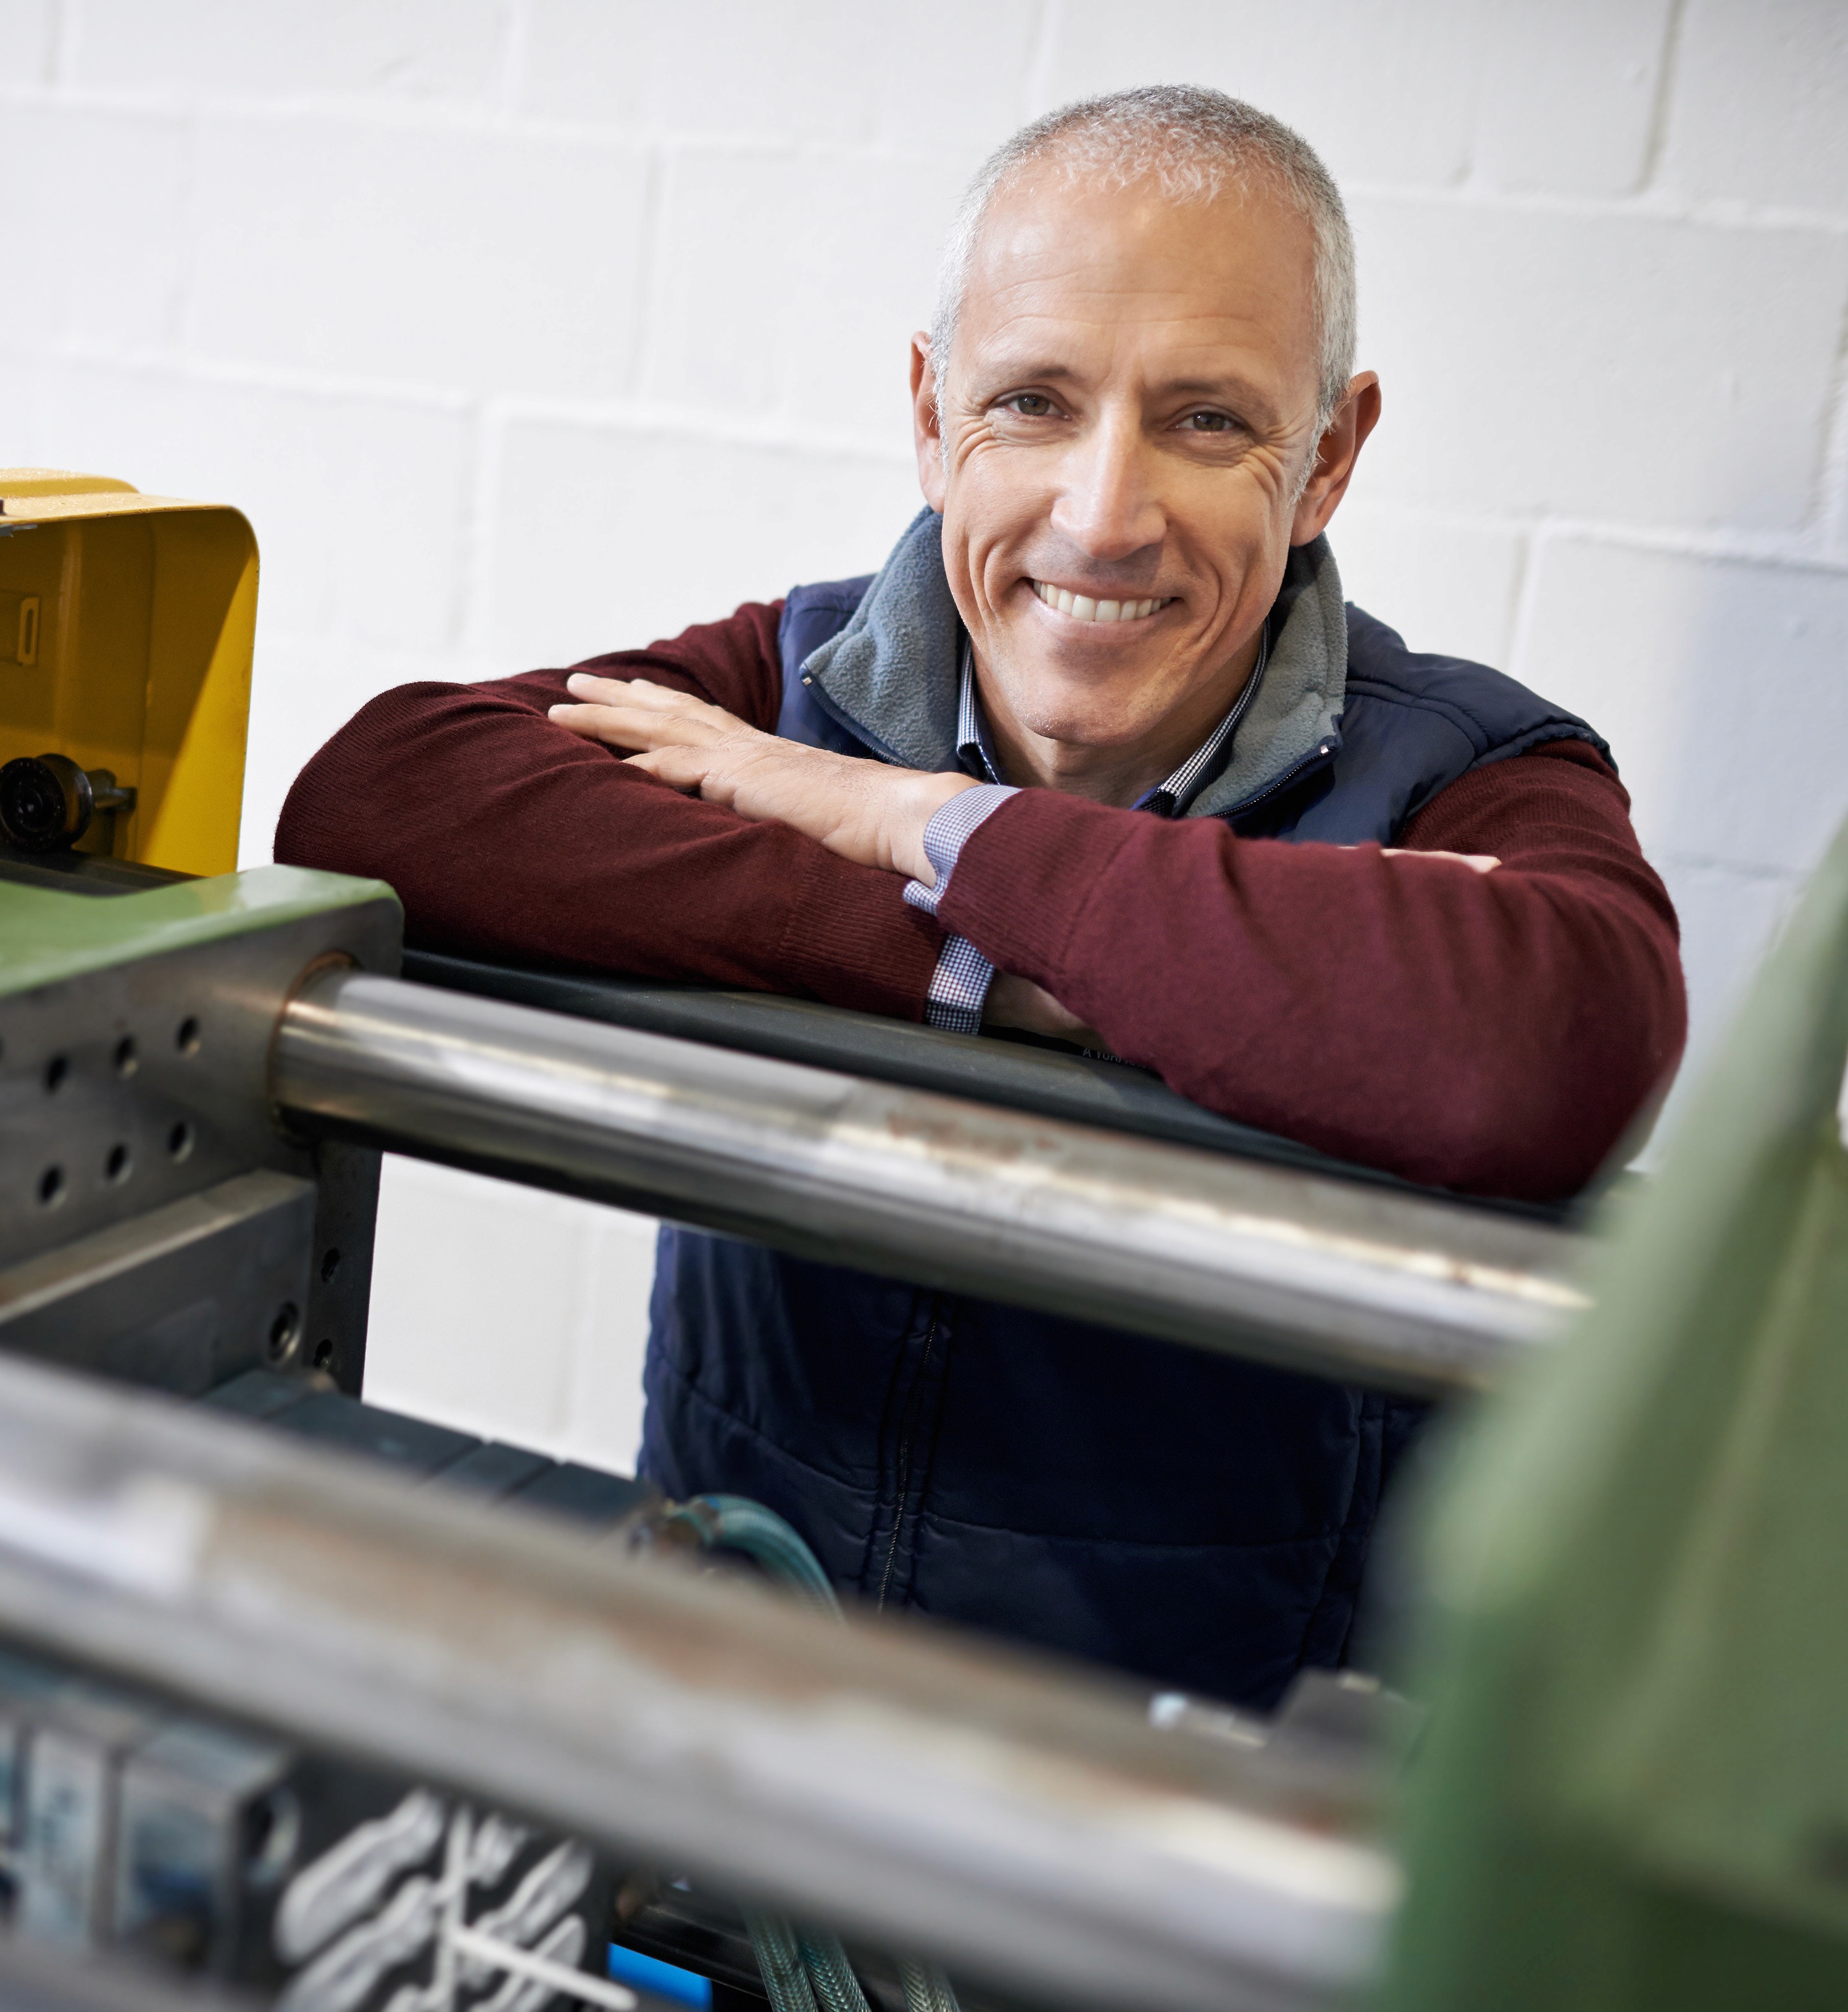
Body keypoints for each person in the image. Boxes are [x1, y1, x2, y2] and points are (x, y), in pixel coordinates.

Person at [276, 85, 1684, 1708]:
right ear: (933, 415)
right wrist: (1011, 971)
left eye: (1208, 420)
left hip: (1165, 1847)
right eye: (1034, 402)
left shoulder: (1465, 768)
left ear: (1329, 459)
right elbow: (381, 793)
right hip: (733, 1743)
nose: (1104, 515)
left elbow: (1554, 1038)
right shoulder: (785, 680)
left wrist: (917, 824)